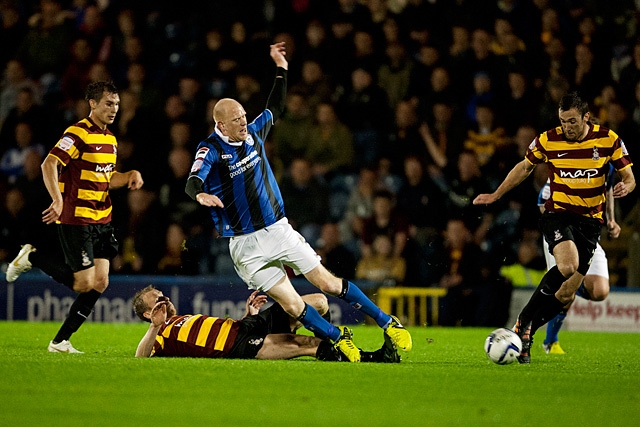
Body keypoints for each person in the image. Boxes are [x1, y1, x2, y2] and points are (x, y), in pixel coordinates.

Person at [185, 42, 412, 363]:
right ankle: (337, 338)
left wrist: (282, 68)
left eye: (243, 116)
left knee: (328, 283)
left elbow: (274, 107)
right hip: (245, 246)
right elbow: (192, 180)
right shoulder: (209, 149)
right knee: (292, 305)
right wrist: (200, 194)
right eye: (236, 119)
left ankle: (388, 322)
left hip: (278, 230)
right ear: (220, 125)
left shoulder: (253, 134)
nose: (243, 122)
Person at [473, 91, 635, 363]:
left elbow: (628, 177)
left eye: (572, 121)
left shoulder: (608, 140)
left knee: (566, 293)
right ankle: (523, 320)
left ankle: (525, 333)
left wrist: (625, 187)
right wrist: (496, 194)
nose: (567, 127)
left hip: (590, 224)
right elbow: (524, 167)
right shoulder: (548, 139)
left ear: (586, 117)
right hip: (557, 214)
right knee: (568, 265)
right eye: (563, 121)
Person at [6, 81, 144, 354]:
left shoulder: (110, 138)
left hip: (102, 218)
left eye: (116, 104)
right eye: (108, 103)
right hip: (76, 219)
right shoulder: (77, 133)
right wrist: (57, 198)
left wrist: (128, 175)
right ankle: (31, 257)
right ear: (92, 104)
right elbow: (49, 163)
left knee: (101, 282)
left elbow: (107, 177)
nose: (114, 109)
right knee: (84, 283)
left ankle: (60, 342)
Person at [133, 286, 400, 363]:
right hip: (240, 346)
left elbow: (223, 330)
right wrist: (155, 327)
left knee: (317, 301)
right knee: (307, 344)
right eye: (157, 302)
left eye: (163, 296)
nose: (164, 301)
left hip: (247, 326)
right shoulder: (161, 337)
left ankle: (333, 346)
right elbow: (139, 356)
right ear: (147, 314)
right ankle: (374, 358)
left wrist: (248, 314)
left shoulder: (183, 318)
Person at [538, 169, 620, 354]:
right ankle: (550, 342)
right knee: (567, 289)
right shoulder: (568, 168)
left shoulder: (607, 165)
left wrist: (611, 220)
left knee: (600, 292)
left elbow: (608, 191)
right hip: (561, 238)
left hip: (589, 237)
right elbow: (542, 202)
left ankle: (560, 284)